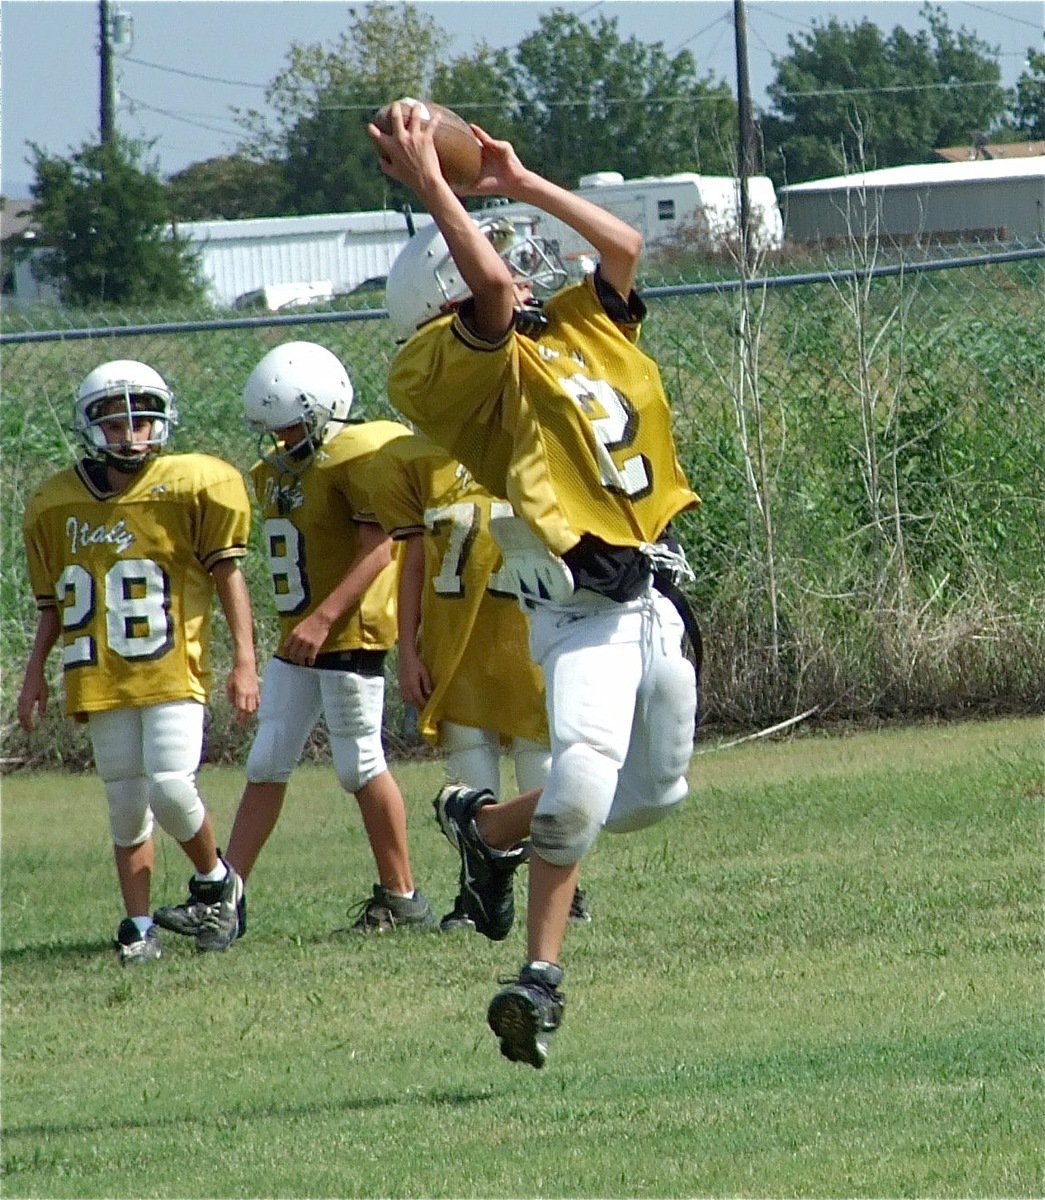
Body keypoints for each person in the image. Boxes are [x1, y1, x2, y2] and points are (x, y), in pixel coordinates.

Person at [371, 103, 701, 1067]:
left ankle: (479, 827)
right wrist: (432, 184)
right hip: (577, 608)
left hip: (657, 594)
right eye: (493, 247)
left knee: (650, 798)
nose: (516, 259)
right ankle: (538, 982)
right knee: (576, 796)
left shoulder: (574, 326)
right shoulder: (439, 367)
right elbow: (483, 285)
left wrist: (515, 181)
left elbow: (627, 243)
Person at [151, 341, 435, 938]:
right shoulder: (278, 471)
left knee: (359, 762)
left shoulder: (356, 455)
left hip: (345, 628)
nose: (281, 441)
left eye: (291, 427)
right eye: (274, 430)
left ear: (325, 409)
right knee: (268, 759)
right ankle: (228, 898)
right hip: (298, 636)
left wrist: (324, 617)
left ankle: (402, 896)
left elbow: (381, 546)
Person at [18, 359, 259, 964]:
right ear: (90, 427)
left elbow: (229, 576)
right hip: (98, 673)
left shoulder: (191, 484)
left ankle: (215, 879)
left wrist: (245, 660)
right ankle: (140, 925)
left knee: (172, 789)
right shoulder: (55, 501)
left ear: (161, 423)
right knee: (126, 805)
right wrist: (34, 675)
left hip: (173, 666)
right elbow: (51, 602)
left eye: (142, 422)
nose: (131, 435)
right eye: (115, 424)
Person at [366, 433, 592, 932]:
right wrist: (407, 651)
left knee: (543, 761)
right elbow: (412, 564)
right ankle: (477, 889)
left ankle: (561, 889)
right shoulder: (418, 459)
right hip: (456, 647)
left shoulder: (538, 443)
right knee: (471, 774)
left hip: (529, 636)